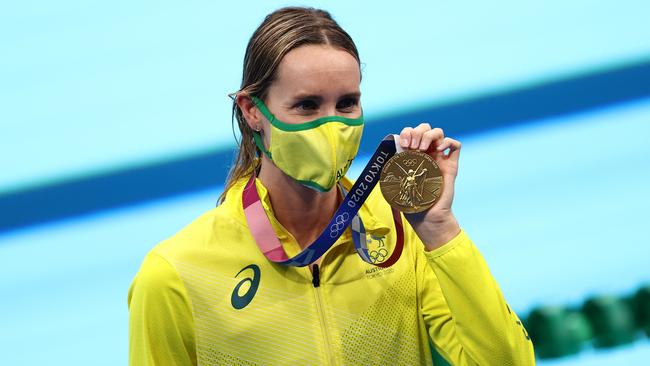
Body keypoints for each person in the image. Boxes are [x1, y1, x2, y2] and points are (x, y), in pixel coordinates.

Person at [128, 6, 535, 365]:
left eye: (346, 103)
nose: (332, 125)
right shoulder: (176, 274)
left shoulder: (399, 235)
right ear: (253, 111)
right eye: (307, 105)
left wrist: (438, 228)